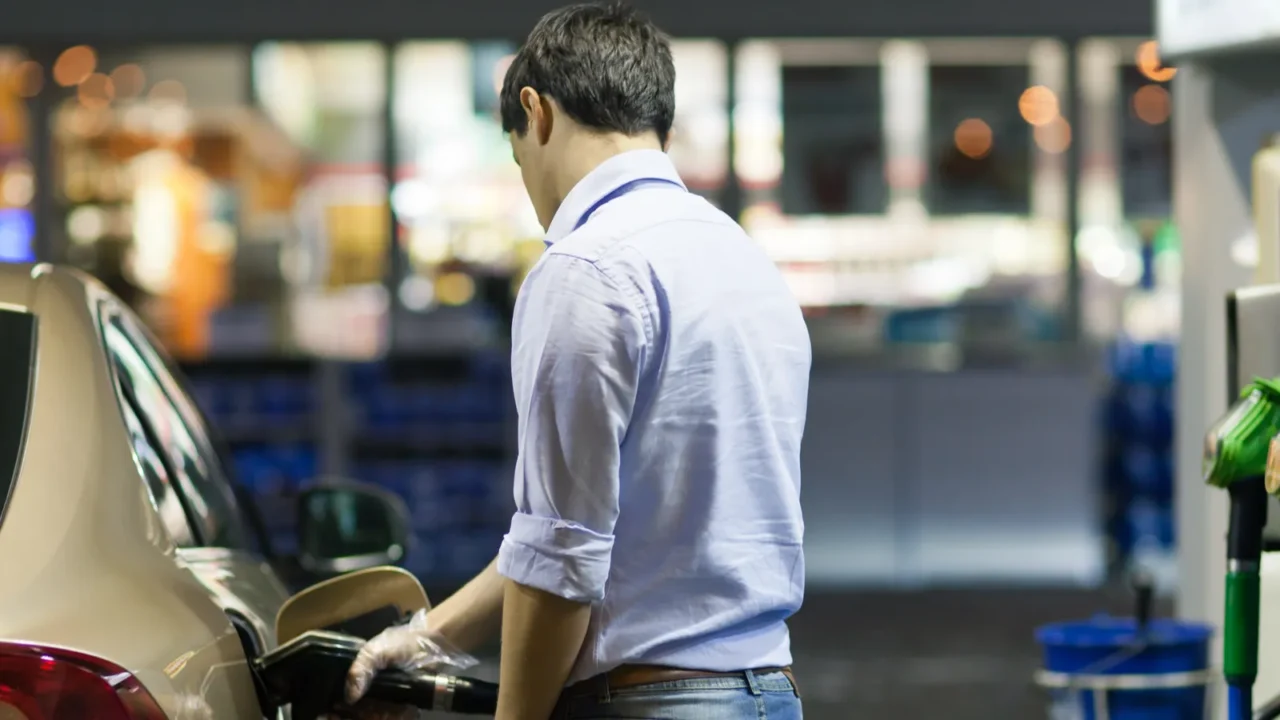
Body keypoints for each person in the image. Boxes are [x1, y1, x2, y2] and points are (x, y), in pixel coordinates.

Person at [344, 3, 811, 719]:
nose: (529, 185)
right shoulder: (743, 261)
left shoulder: (586, 267)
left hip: (646, 702)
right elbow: (600, 533)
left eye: (516, 154)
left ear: (537, 113)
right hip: (765, 693)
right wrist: (426, 637)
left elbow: (564, 559)